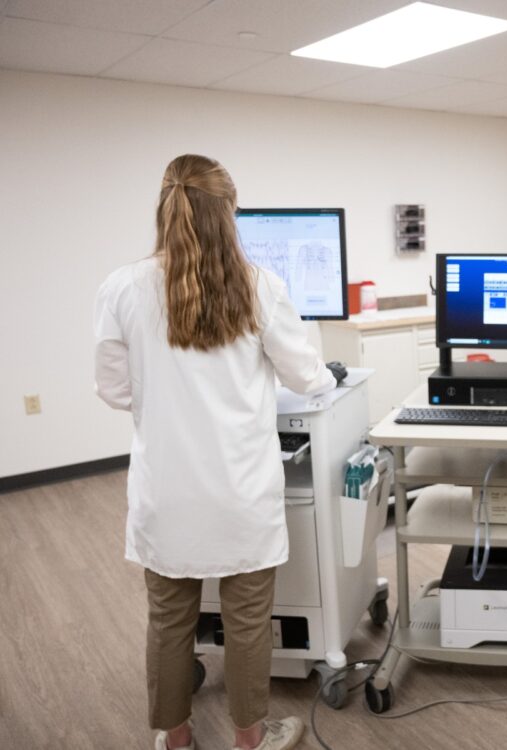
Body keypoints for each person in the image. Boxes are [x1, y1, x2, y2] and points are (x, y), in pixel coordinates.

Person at [94, 154, 336, 750]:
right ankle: (250, 739)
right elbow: (306, 376)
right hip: (241, 493)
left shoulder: (122, 287)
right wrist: (323, 376)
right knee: (247, 621)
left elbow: (114, 390)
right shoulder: (258, 286)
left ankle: (176, 739)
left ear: (164, 207)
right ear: (228, 213)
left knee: (169, 621)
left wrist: (168, 397)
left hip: (166, 494)